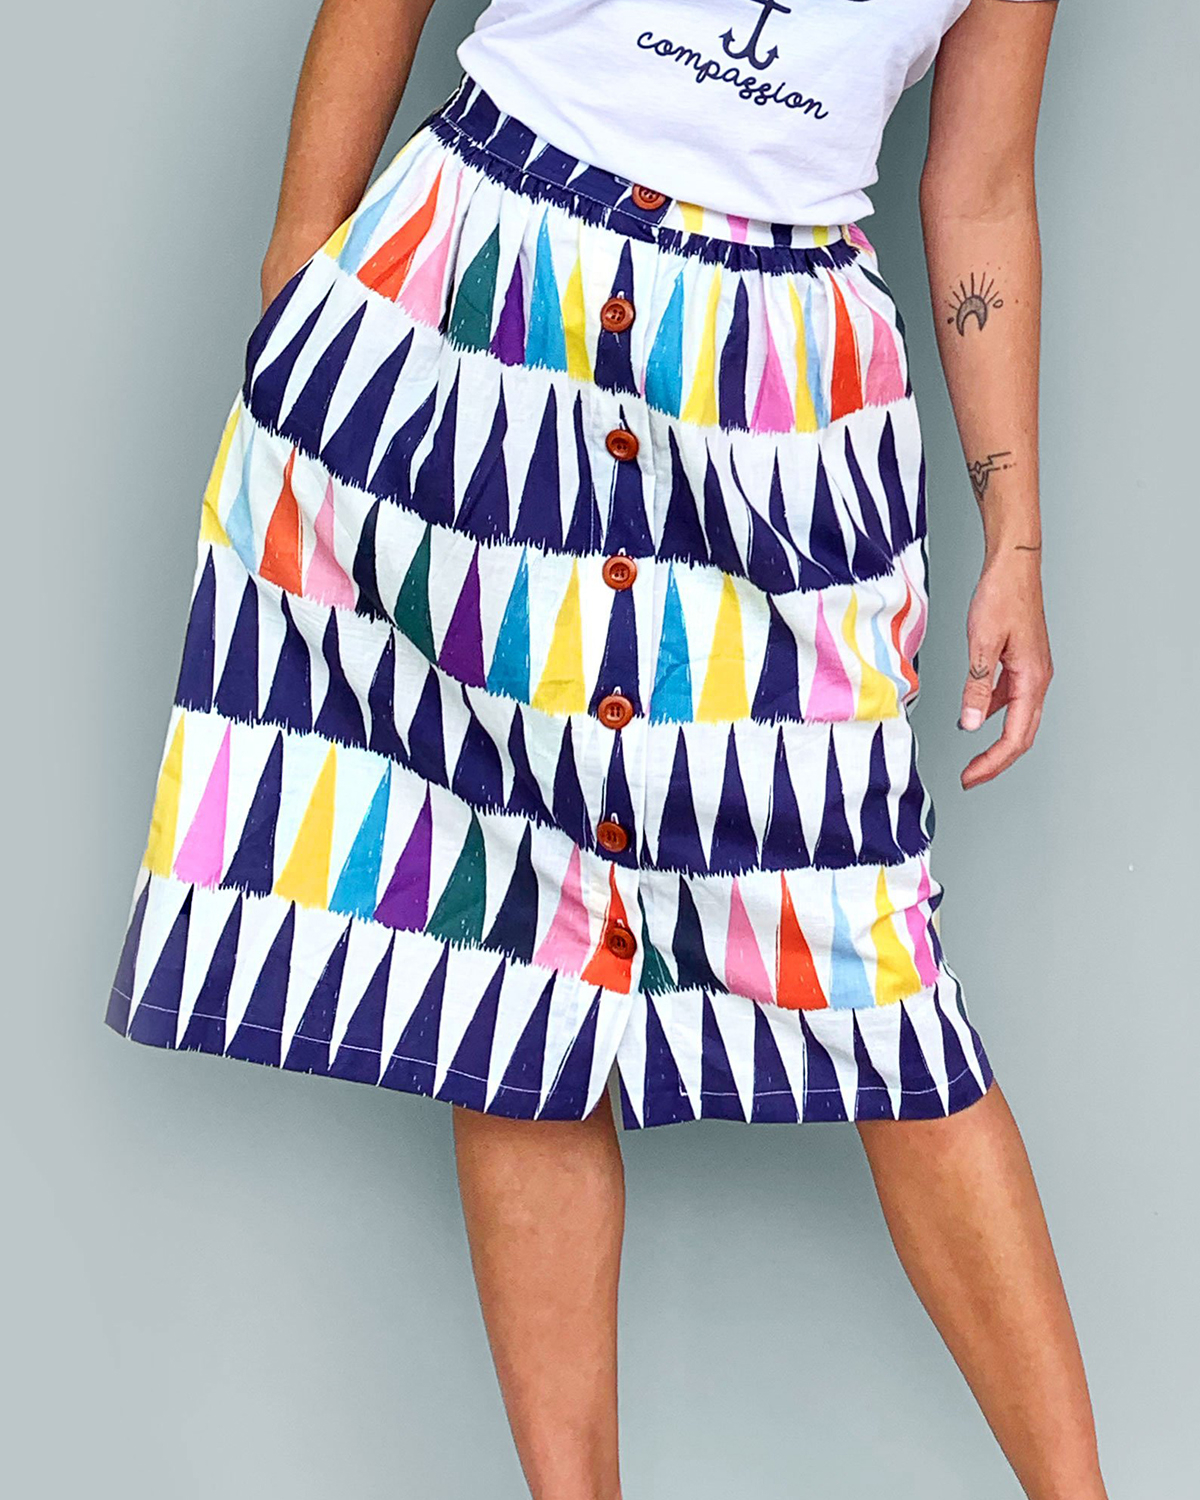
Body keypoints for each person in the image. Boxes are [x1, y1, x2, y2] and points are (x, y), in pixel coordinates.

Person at [106, 0, 1106, 1493]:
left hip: (781, 394)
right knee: (520, 955)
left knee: (870, 962)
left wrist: (1014, 533)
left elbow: (978, 191)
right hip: (479, 314)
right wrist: (300, 267)